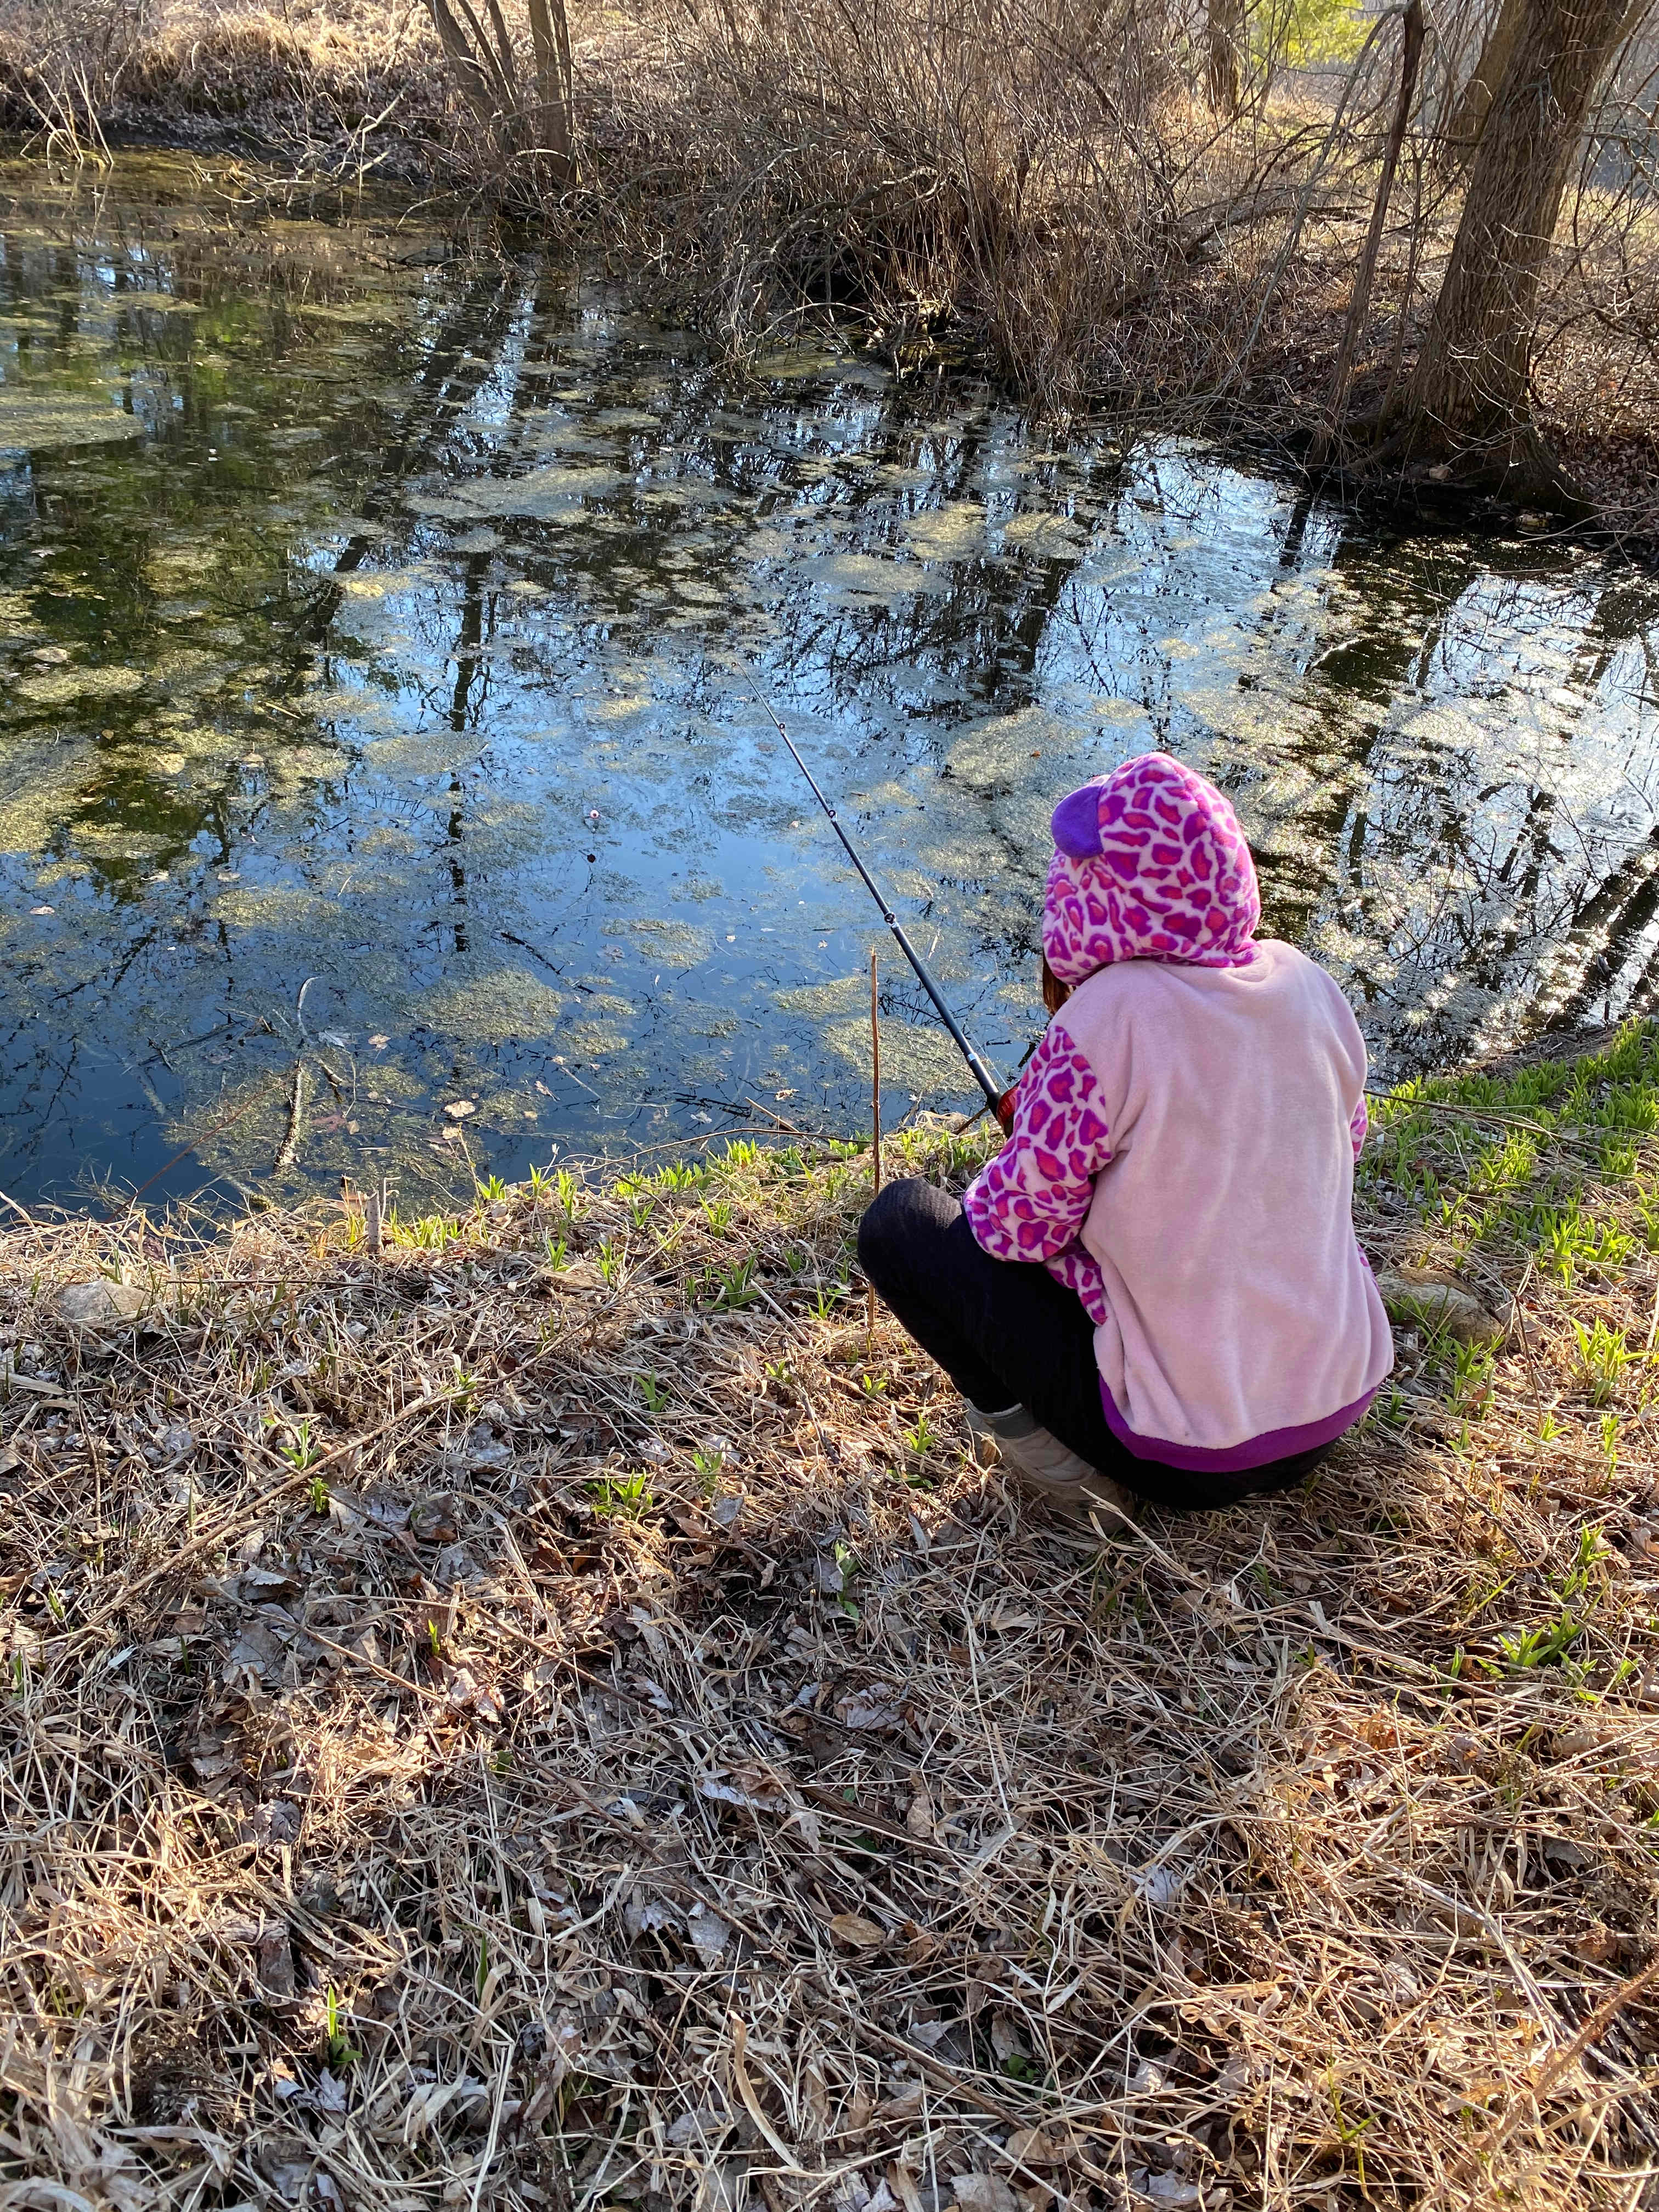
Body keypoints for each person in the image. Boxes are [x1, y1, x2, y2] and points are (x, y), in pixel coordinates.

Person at [857, 752, 1394, 1532]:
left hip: (1185, 1456)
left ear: (1081, 898)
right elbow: (1341, 1142)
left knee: (903, 1222)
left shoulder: (1105, 1020)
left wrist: (1026, 1163)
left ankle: (1065, 1472)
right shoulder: (1308, 985)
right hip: (1336, 1407)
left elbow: (1015, 1232)